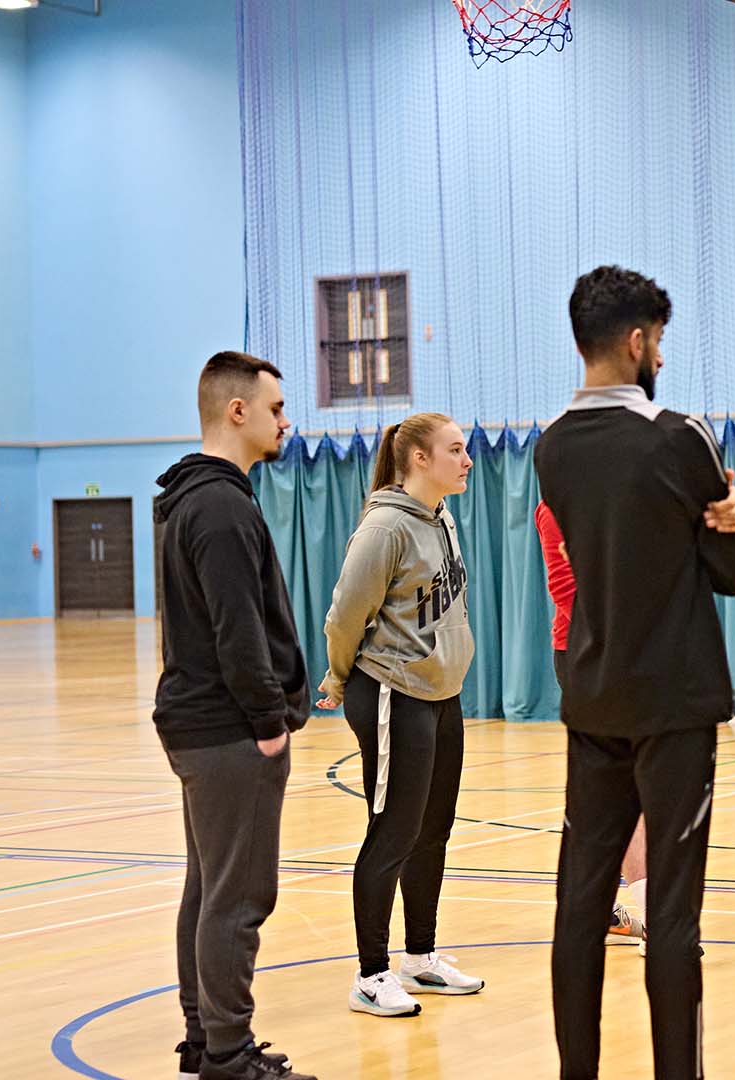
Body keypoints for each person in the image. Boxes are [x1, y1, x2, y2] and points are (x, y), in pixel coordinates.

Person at [533, 265, 735, 1079]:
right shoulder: (679, 436)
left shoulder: (552, 446)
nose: (660, 354)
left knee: (579, 904)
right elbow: (727, 572)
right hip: (674, 702)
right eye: (657, 339)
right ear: (637, 341)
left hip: (591, 693)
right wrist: (726, 521)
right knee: (672, 913)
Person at [152, 351, 316, 1080]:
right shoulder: (218, 507)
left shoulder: (202, 498)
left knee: (209, 889)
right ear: (237, 411)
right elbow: (236, 630)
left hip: (203, 726)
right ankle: (228, 1053)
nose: (287, 421)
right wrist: (269, 722)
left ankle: (204, 1037)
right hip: (227, 730)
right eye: (277, 408)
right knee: (240, 897)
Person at [316, 413, 481, 1018]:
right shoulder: (385, 527)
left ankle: (420, 959)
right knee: (393, 833)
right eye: (456, 450)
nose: (467, 461)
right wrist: (337, 677)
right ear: (417, 458)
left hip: (443, 692)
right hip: (391, 691)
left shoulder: (444, 518)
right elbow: (344, 615)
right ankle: (370, 974)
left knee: (433, 830)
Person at [535, 498, 650, 947]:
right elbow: (567, 591)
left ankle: (601, 908)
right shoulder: (559, 505)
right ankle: (650, 911)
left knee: (615, 790)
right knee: (622, 788)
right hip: (590, 655)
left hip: (637, 652)